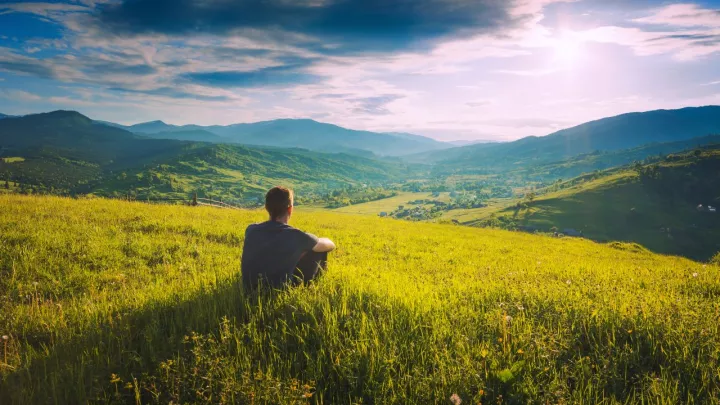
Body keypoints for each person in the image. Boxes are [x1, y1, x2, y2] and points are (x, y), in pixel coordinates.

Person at [241, 186, 336, 289]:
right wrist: (308, 242)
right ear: (290, 209)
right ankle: (309, 286)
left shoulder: (251, 229)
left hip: (249, 287)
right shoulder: (296, 236)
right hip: (278, 291)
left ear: (266, 207)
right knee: (318, 250)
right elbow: (330, 245)